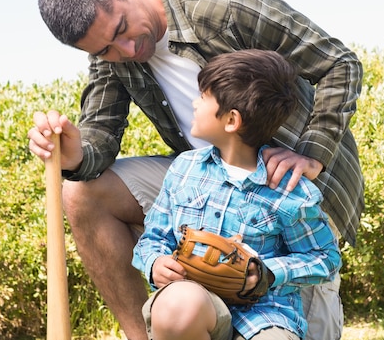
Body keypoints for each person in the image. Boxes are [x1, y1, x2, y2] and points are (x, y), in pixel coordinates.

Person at [28, 0, 364, 340]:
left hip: (290, 190)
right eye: (106, 49)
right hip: (206, 179)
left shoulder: (229, 6)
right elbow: (99, 137)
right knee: (80, 191)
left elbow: (340, 64)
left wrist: (310, 152)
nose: (126, 50)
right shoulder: (113, 58)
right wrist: (75, 156)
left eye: (121, 30)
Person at [132, 49, 341, 340]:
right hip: (196, 303)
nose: (194, 102)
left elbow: (325, 258)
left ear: (231, 120)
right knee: (176, 307)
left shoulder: (291, 191)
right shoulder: (184, 169)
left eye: (203, 97)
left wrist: (267, 272)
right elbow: (153, 238)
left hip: (265, 313)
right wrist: (155, 262)